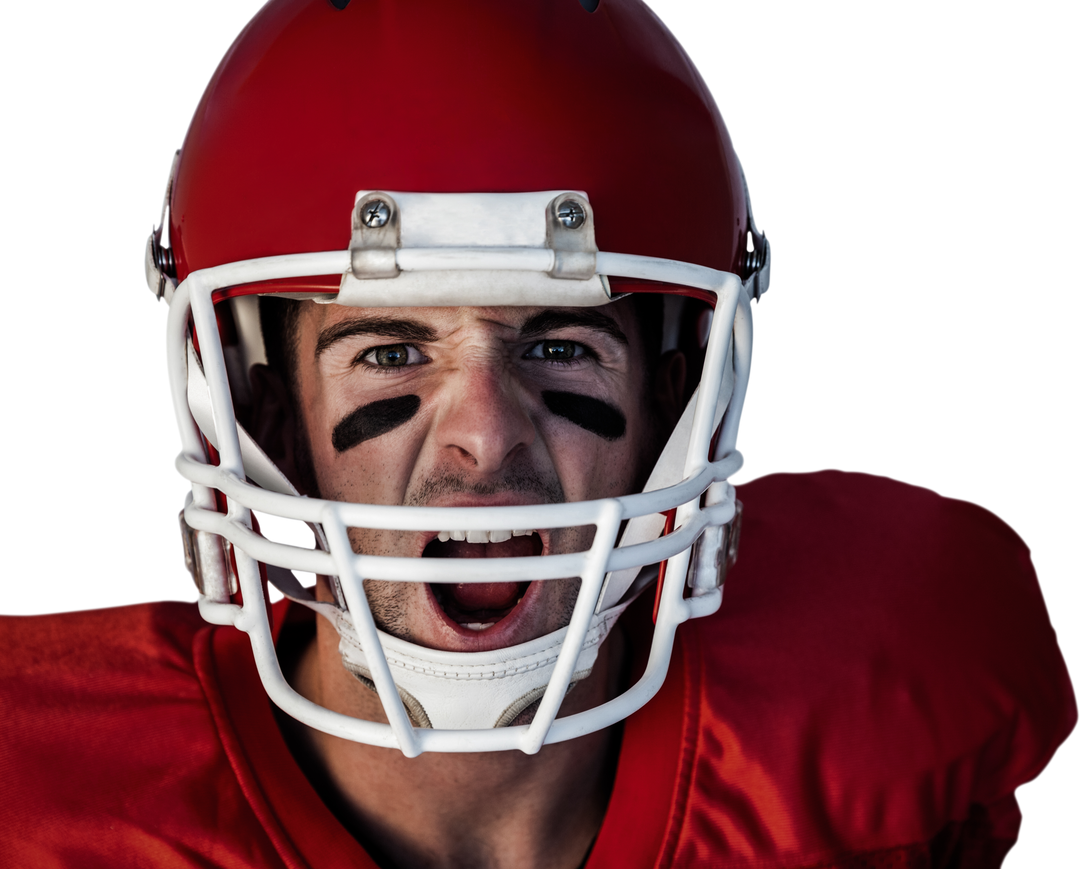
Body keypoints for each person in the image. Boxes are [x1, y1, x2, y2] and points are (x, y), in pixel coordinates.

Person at [2, 1, 1074, 867]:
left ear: (672, 400)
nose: (483, 437)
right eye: (389, 352)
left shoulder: (875, 702)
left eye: (561, 348)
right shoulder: (34, 788)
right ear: (270, 415)